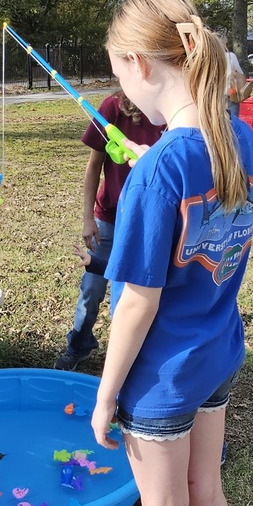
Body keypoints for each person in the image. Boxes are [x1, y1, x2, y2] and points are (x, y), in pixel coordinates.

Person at [90, 0, 253, 506]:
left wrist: (106, 396)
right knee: (206, 493)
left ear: (137, 63)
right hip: (215, 355)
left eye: (116, 70)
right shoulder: (241, 138)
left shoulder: (161, 169)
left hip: (162, 379)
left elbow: (136, 302)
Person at [54, 91, 163, 371]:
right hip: (110, 219)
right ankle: (79, 344)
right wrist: (87, 217)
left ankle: (136, 352)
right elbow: (93, 166)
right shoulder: (112, 108)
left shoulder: (170, 113)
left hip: (148, 221)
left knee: (140, 293)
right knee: (91, 289)